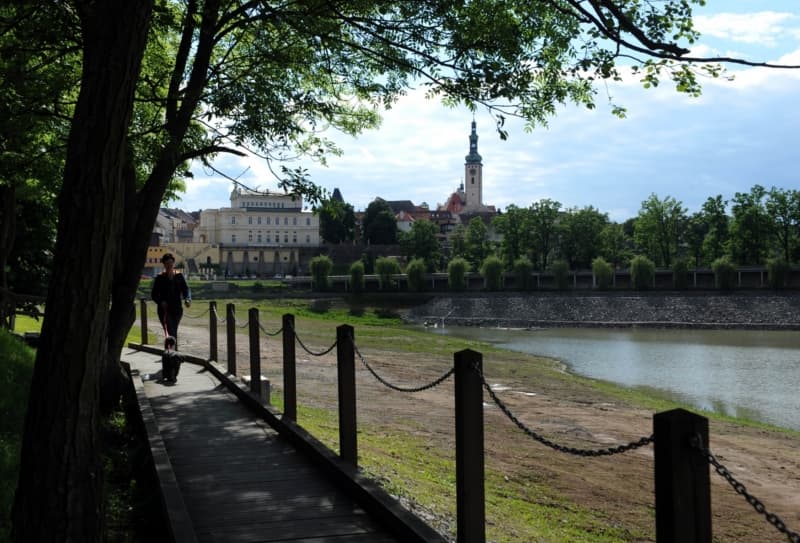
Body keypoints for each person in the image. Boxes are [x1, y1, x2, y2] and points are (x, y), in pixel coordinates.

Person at [151, 253, 191, 347]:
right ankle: (172, 354)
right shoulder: (160, 277)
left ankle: (169, 353)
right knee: (170, 330)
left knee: (173, 330)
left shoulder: (179, 276)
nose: (169, 265)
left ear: (173, 263)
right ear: (164, 264)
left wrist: (187, 299)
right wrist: (161, 302)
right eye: (167, 263)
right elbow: (154, 295)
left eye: (171, 263)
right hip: (164, 310)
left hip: (177, 309)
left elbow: (186, 289)